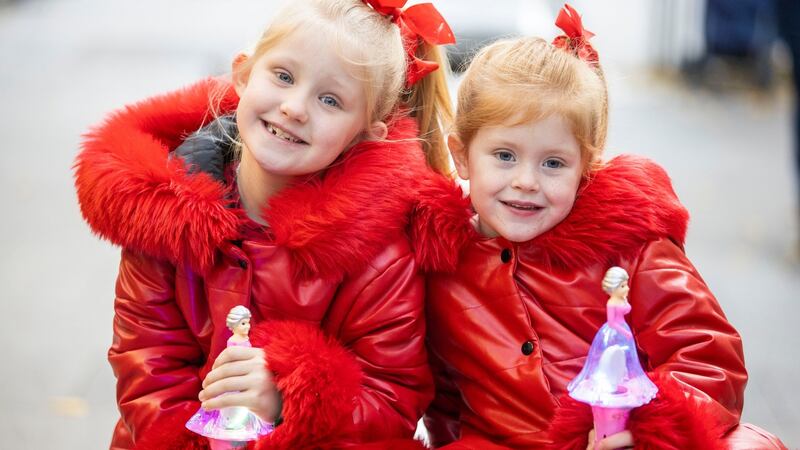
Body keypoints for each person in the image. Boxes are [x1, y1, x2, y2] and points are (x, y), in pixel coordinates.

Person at [73, 0, 454, 448]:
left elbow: (392, 400)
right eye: (284, 77)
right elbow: (147, 368)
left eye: (330, 100)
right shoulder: (162, 213)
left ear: (368, 131)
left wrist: (289, 401)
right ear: (243, 74)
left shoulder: (382, 254)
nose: (295, 108)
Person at [412, 4, 787, 449]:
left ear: (584, 169)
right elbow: (445, 399)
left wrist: (641, 426)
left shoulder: (629, 242)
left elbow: (706, 355)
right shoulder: (445, 262)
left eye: (553, 163)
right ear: (461, 155)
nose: (526, 181)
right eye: (505, 156)